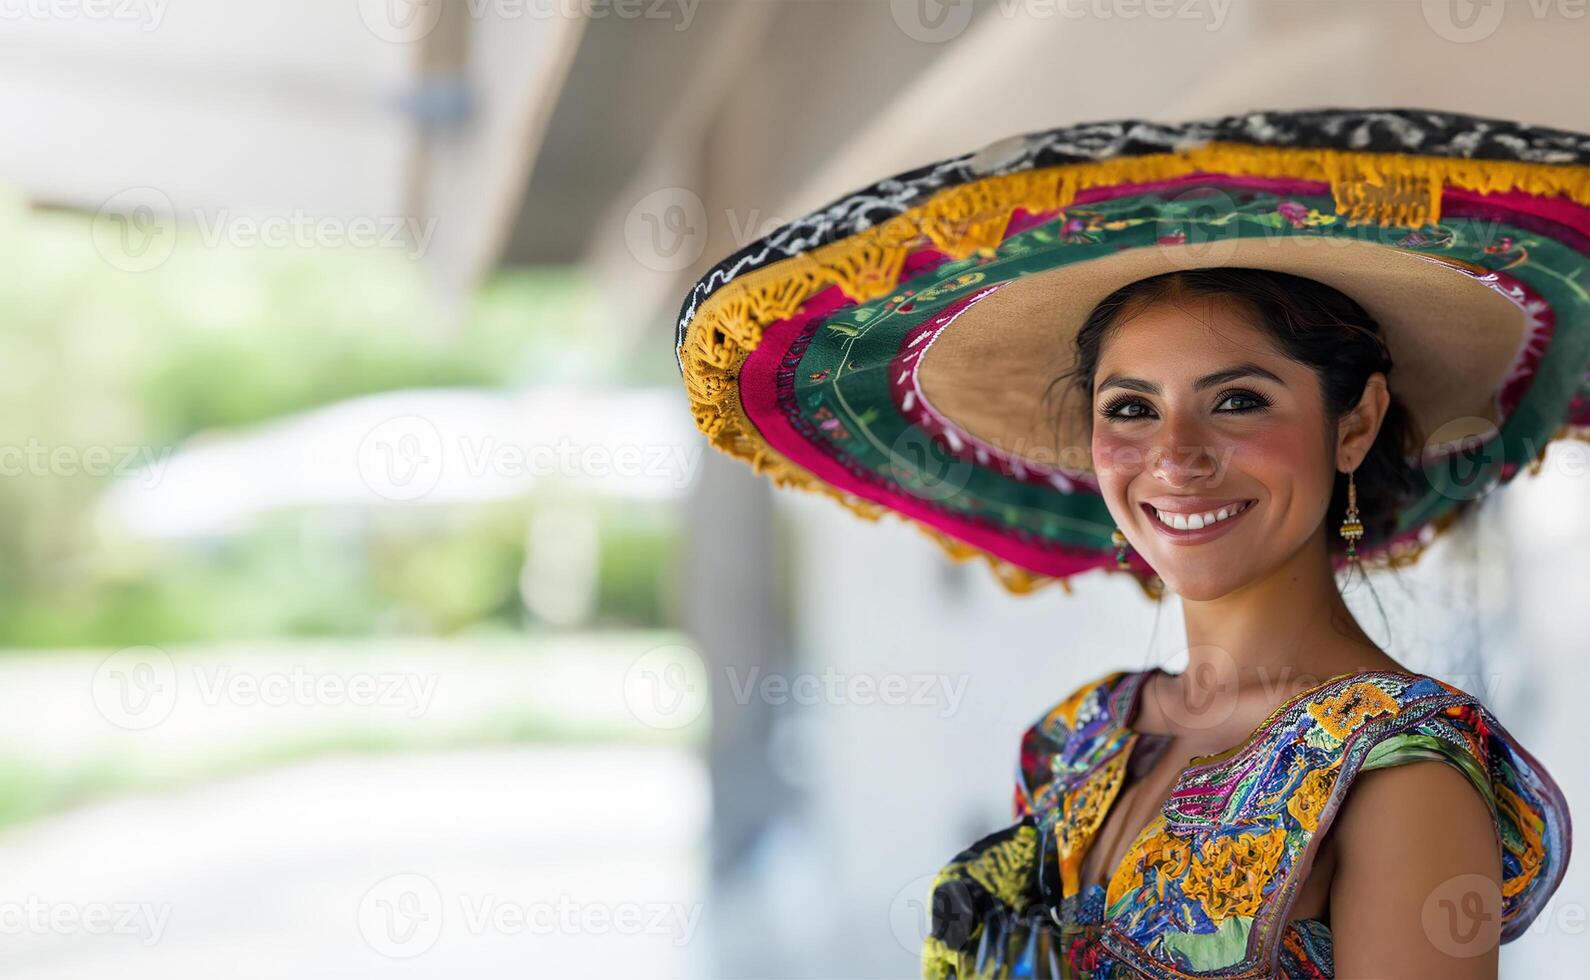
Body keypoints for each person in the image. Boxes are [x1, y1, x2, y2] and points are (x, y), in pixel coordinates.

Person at [671, 108, 1585, 976]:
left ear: (1354, 426)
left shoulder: (1400, 772)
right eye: (1132, 410)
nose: (1176, 458)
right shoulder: (1081, 739)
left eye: (1238, 401)